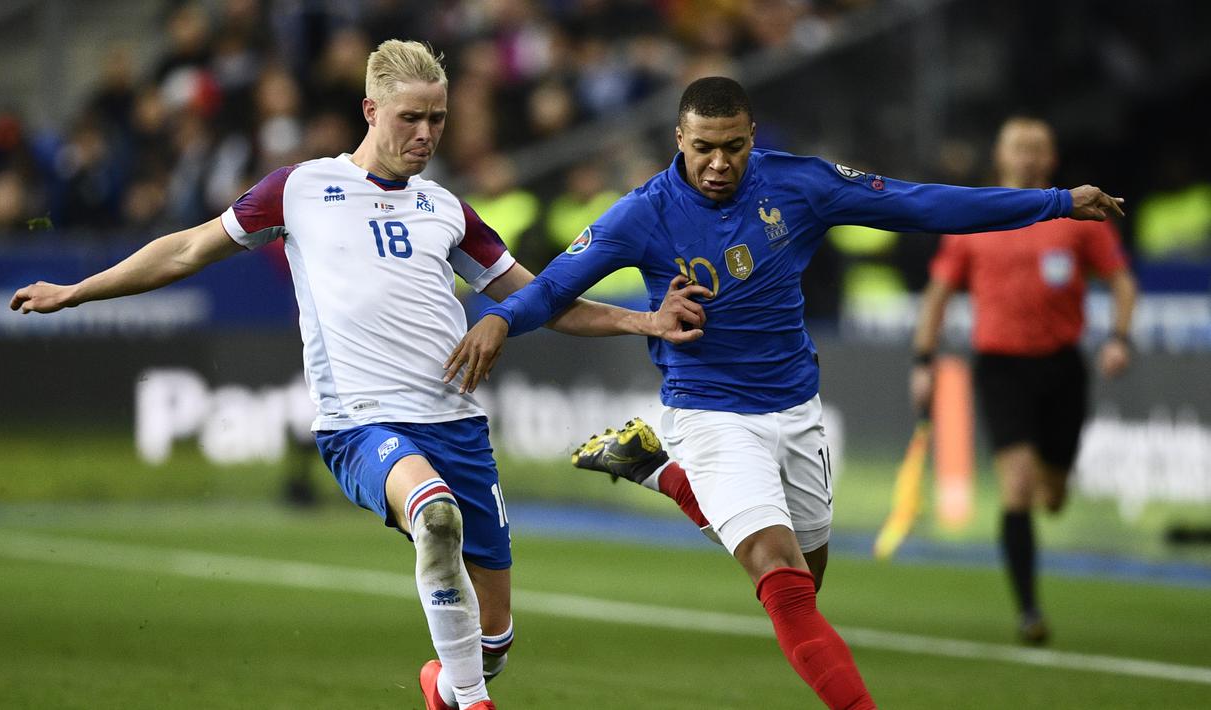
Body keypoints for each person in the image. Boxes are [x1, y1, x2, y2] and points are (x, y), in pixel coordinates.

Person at [9, 39, 705, 710]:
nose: (426, 133)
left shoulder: (446, 209)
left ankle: (451, 684)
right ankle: (476, 705)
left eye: (437, 118)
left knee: (492, 637)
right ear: (371, 111)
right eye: (411, 117)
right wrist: (75, 291)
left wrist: (641, 320)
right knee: (434, 517)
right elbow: (187, 249)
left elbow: (539, 298)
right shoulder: (302, 188)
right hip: (362, 421)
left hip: (457, 424)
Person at [444, 77, 1125, 709]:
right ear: (678, 141)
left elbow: (920, 203)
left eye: (733, 147)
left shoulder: (799, 185)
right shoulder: (642, 214)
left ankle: (659, 473)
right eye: (703, 148)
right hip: (708, 412)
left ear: (752, 137)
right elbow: (554, 288)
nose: (718, 164)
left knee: (805, 581)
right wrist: (501, 318)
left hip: (796, 410)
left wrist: (1056, 203)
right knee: (783, 583)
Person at [909, 116, 1137, 644]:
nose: (1030, 157)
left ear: (1052, 158)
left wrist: (1120, 338)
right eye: (1020, 148)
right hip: (1001, 367)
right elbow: (938, 294)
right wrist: (924, 358)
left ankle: (1052, 492)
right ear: (1001, 155)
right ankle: (1029, 610)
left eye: (1039, 149)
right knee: (1016, 485)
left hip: (1062, 366)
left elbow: (1122, 282)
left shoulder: (1079, 213)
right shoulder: (977, 216)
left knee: (1051, 494)